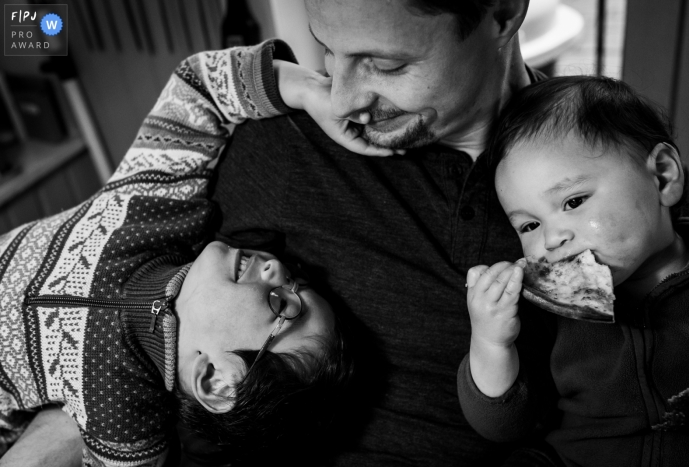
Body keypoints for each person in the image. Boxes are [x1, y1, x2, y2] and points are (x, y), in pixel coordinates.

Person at [209, 1, 554, 465]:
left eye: (387, 65)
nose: (343, 102)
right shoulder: (282, 145)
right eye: (328, 50)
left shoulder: (601, 165)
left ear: (504, 14)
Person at [0, 43, 352, 466]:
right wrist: (310, 90)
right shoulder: (158, 209)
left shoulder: (128, 426)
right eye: (296, 277)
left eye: (284, 304)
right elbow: (198, 88)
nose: (277, 267)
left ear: (218, 382)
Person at [460, 75, 689, 466]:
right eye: (529, 226)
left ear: (662, 176)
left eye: (572, 201)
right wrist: (491, 343)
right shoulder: (545, 310)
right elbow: (503, 426)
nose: (551, 239)